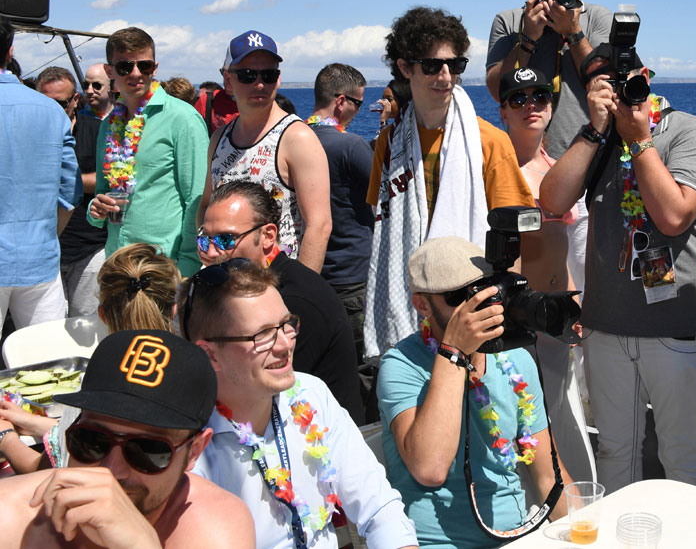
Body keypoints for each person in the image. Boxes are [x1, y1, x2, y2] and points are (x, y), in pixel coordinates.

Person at [540, 48, 696, 494]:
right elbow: (553, 202)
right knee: (615, 452)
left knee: (682, 451)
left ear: (644, 76)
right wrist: (594, 129)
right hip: (606, 328)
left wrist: (639, 139)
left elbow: (674, 216)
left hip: (675, 325)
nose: (616, 91)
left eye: (623, 79)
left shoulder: (688, 131)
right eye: (601, 85)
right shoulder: (595, 139)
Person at [182, 259, 418, 549]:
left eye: (286, 324)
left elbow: (380, 509)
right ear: (210, 355)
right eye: (262, 335)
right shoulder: (186, 443)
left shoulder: (309, 394)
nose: (284, 345)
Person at [377, 236, 569, 549]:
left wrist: (583, 532)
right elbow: (430, 469)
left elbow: (549, 477)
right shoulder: (401, 364)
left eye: (481, 291)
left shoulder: (516, 358)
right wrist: (454, 351)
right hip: (435, 542)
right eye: (457, 296)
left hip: (516, 536)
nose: (473, 306)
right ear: (422, 305)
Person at [365, 6, 532, 357]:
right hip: (409, 302)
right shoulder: (390, 143)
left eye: (454, 65)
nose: (444, 76)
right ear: (405, 68)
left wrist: (501, 313)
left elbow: (513, 238)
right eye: (431, 65)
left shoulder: (488, 142)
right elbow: (382, 229)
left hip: (473, 305)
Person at [0, 329, 256, 549]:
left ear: (194, 451)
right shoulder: (11, 515)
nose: (112, 471)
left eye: (148, 450)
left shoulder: (216, 525)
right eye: (92, 441)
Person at [486, 0, 612, 295]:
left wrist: (573, 33)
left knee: (588, 288)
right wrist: (528, 37)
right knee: (532, 282)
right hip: (528, 172)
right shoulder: (510, 21)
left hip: (586, 171)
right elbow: (497, 88)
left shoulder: (597, 18)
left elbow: (602, 81)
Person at [0, 242, 184, 474]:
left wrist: (5, 436)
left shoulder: (103, 382)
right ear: (174, 309)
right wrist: (34, 424)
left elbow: (45, 470)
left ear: (102, 315)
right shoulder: (191, 370)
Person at [496, 67, 596, 483]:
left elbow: (577, 249)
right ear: (501, 111)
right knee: (520, 428)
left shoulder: (561, 170)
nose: (531, 106)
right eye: (517, 99)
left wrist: (580, 308)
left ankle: (574, 510)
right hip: (515, 328)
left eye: (540, 96)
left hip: (558, 323)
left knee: (562, 418)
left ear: (553, 106)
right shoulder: (493, 171)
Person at [196, 180, 364, 422]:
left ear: (267, 236)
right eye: (205, 240)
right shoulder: (260, 290)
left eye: (226, 239)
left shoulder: (293, 302)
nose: (211, 252)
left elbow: (263, 394)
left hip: (319, 442)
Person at [199, 30, 331, 272]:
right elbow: (206, 204)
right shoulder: (219, 139)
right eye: (248, 75)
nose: (259, 84)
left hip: (276, 289)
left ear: (278, 80)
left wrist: (300, 295)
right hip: (224, 288)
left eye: (268, 75)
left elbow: (319, 225)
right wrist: (206, 249)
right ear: (228, 81)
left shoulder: (296, 137)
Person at [87, 27, 209, 276]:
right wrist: (95, 210)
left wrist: (186, 267)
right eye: (124, 67)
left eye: (144, 66)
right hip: (117, 261)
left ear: (155, 67)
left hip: (163, 267)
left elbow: (197, 198)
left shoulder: (182, 118)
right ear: (110, 70)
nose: (135, 74)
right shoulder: (110, 124)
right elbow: (103, 192)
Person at [0, 16, 79, 328]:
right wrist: (47, 236)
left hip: (37, 256)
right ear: (10, 51)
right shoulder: (51, 111)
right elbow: (69, 190)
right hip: (39, 259)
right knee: (46, 366)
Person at [305, 63, 375, 363]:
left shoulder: (294, 141)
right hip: (352, 275)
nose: (359, 110)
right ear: (341, 101)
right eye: (358, 103)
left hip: (311, 272)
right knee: (362, 364)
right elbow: (384, 193)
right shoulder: (351, 146)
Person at [37, 66, 108, 317]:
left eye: (60, 104)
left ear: (75, 100)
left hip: (89, 247)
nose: (52, 111)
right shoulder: (31, 134)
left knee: (86, 324)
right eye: (44, 103)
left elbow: (111, 178)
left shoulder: (98, 130)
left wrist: (65, 178)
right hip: (43, 248)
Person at [193, 62, 238, 133]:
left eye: (232, 72)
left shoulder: (258, 103)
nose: (227, 78)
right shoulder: (207, 101)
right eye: (223, 72)